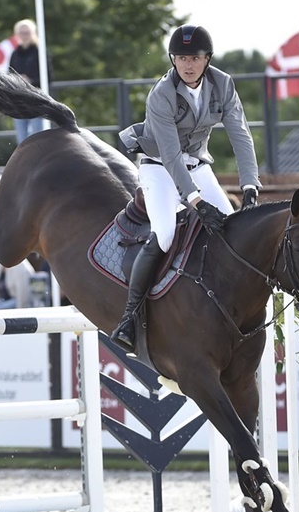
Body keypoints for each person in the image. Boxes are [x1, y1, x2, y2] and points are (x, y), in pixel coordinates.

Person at [110, 24, 262, 352]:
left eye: (194, 58)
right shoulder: (162, 94)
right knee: (165, 234)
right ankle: (130, 316)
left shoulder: (223, 84)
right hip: (159, 169)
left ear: (207, 59)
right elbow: (170, 156)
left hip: (198, 165)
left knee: (231, 231)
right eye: (181, 58)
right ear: (173, 60)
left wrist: (250, 183)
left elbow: (240, 134)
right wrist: (195, 201)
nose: (187, 65)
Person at [8, 19, 48, 143]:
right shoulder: (15, 54)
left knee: (38, 138)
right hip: (19, 101)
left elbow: (48, 78)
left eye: (27, 32)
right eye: (21, 32)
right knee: (22, 140)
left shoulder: (40, 52)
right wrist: (17, 80)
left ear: (33, 33)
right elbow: (9, 75)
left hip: (36, 100)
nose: (24, 35)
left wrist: (30, 81)